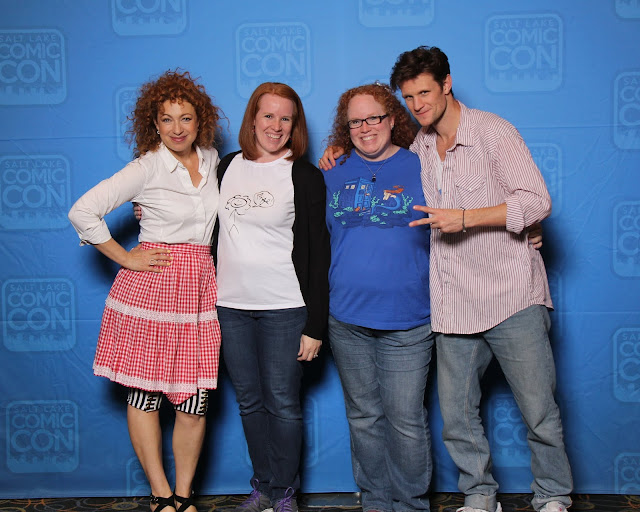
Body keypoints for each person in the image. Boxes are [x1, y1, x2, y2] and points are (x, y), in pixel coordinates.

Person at [320, 46, 570, 512]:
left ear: (447, 84)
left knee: (538, 408)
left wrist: (479, 219)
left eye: (424, 93)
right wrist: (338, 150)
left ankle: (553, 494)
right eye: (409, 97)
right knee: (457, 417)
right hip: (453, 303)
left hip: (510, 293)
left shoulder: (493, 131)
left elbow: (536, 201)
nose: (418, 104)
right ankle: (479, 495)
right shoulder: (419, 148)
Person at [69, 70, 223, 512]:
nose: (177, 128)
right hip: (152, 292)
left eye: (186, 118)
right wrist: (126, 257)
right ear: (154, 124)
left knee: (195, 401)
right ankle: (160, 495)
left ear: (200, 121)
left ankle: (184, 496)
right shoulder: (147, 166)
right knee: (145, 395)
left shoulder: (213, 159)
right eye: (167, 119)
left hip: (199, 290)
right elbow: (83, 211)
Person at [214, 82, 330, 512]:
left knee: (282, 402)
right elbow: (195, 212)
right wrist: (147, 207)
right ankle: (262, 486)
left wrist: (315, 325)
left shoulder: (304, 175)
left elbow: (319, 254)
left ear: (295, 125)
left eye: (286, 118)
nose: (276, 126)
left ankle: (283, 492)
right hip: (231, 306)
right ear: (253, 119)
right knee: (249, 402)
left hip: (285, 307)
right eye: (268, 115)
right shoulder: (226, 166)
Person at [322, 82, 433, 512]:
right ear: (345, 127)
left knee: (405, 420)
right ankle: (375, 502)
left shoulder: (424, 163)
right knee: (364, 418)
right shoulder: (332, 169)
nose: (365, 128)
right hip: (346, 318)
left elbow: (468, 207)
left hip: (409, 319)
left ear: (392, 119)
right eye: (355, 121)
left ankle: (410, 505)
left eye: (374, 118)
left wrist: (527, 226)